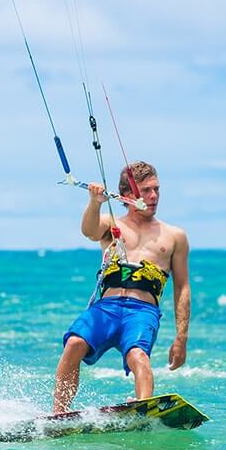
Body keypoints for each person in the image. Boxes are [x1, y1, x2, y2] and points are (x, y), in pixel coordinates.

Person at [53, 161, 190, 413]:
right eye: (146, 191)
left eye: (157, 189)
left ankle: (142, 409)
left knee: (138, 356)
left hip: (141, 312)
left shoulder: (174, 236)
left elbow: (182, 288)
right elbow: (89, 231)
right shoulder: (110, 223)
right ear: (127, 195)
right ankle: (59, 414)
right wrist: (94, 202)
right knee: (73, 343)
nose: (153, 196)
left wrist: (181, 338)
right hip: (106, 308)